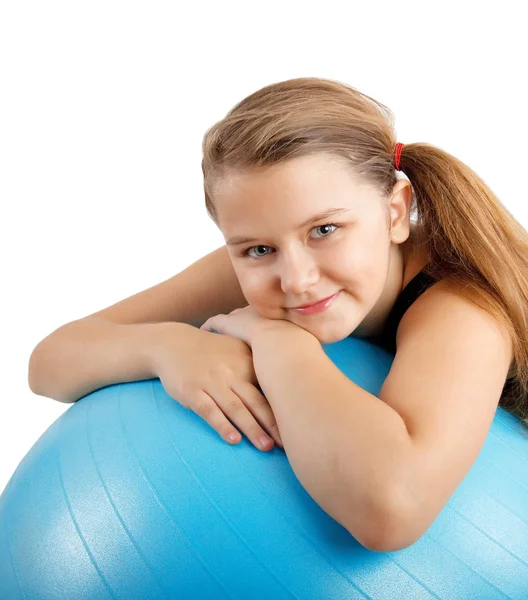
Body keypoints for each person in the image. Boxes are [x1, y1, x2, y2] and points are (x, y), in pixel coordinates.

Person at [28, 77, 528, 552]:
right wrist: (166, 346)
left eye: (325, 231)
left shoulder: (462, 306)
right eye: (258, 248)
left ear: (395, 213)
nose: (296, 279)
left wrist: (282, 345)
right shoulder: (265, 267)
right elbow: (49, 363)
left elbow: (392, 510)